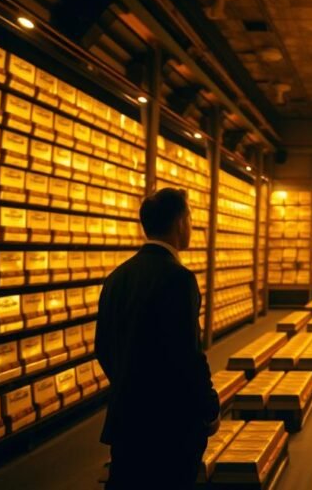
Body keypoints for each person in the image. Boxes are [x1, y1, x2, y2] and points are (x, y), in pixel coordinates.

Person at [96, 187, 220, 489]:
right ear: (180, 223)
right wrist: (209, 407)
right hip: (169, 426)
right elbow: (187, 355)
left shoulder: (118, 276)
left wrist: (129, 383)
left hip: (127, 419)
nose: (192, 226)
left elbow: (103, 347)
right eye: (190, 218)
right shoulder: (179, 278)